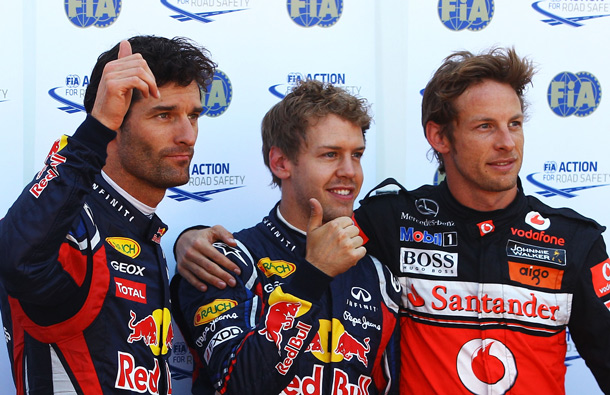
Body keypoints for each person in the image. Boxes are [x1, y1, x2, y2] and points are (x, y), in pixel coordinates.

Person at [174, 47, 610, 394]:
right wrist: (189, 241)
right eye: (484, 127)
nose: (506, 142)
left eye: (514, 124)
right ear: (439, 136)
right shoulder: (387, 224)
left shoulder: (574, 239)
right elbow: (239, 378)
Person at [0, 35, 216, 394]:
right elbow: (14, 257)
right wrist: (94, 131)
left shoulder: (142, 229)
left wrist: (187, 236)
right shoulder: (76, 227)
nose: (187, 135)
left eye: (192, 116)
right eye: (164, 116)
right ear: (114, 123)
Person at [170, 79, 401, 394]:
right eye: (331, 155)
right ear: (280, 163)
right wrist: (312, 276)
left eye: (357, 154)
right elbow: (238, 384)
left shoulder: (378, 275)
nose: (350, 171)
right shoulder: (224, 261)